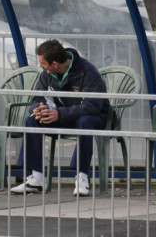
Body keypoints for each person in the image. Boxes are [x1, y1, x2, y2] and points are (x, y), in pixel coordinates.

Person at [10, 39, 109, 196]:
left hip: (94, 117)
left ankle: (82, 177)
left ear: (55, 64)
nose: (41, 66)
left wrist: (60, 113)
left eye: (43, 62)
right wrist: (40, 109)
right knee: (32, 120)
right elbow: (37, 98)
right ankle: (36, 178)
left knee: (85, 121)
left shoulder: (87, 70)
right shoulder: (47, 74)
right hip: (62, 116)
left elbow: (92, 105)